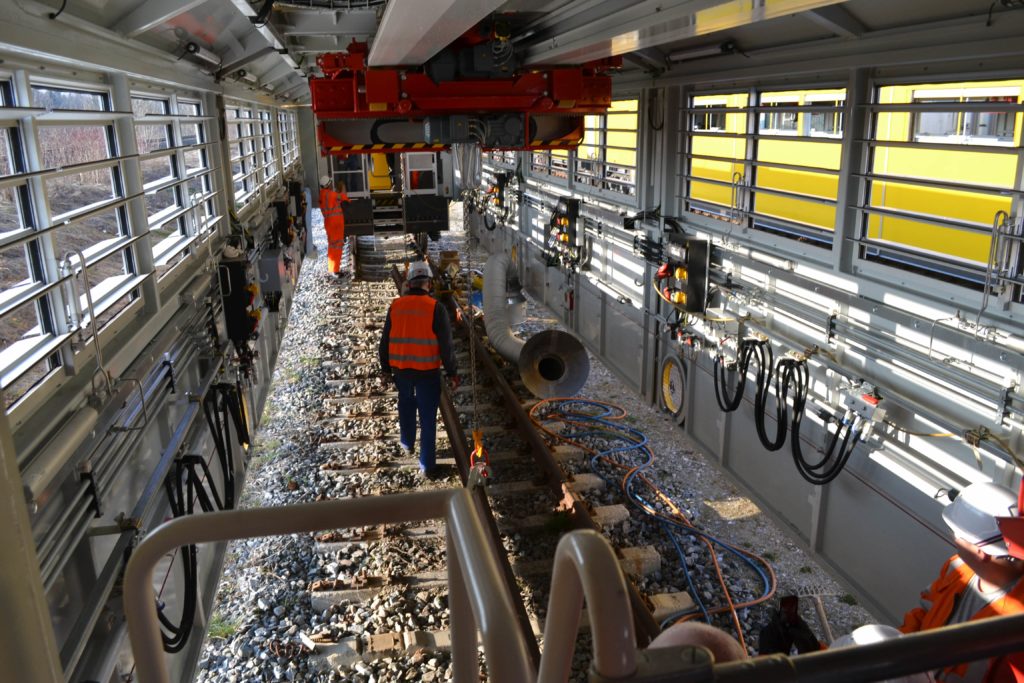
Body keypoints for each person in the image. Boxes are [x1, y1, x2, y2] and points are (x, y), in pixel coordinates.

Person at [899, 481, 1024, 682]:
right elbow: (924, 612)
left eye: (957, 534)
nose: (953, 539)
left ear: (981, 552)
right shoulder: (957, 568)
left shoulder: (1015, 624)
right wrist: (893, 653)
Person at [379, 262, 459, 477]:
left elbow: (384, 340)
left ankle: (406, 442)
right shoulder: (435, 308)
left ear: (409, 283)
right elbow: (446, 345)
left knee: (405, 404)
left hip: (401, 372)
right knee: (427, 419)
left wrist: (385, 369)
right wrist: (452, 373)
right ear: (429, 284)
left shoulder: (395, 306)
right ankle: (427, 466)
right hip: (427, 373)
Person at [319, 175, 350, 277]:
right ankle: (335, 270)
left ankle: (332, 269)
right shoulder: (331, 195)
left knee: (332, 247)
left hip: (329, 224)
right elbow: (343, 197)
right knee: (337, 247)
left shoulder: (322, 196)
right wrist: (348, 198)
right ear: (328, 185)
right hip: (336, 224)